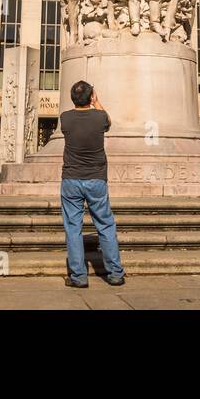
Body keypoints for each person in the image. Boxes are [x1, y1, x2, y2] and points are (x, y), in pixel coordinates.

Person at [58, 80, 126, 288]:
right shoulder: (99, 117)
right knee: (105, 225)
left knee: (73, 228)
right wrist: (96, 102)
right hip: (96, 179)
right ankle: (114, 273)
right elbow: (108, 121)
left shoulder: (66, 118)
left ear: (72, 98)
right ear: (91, 97)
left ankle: (78, 276)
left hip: (71, 179)